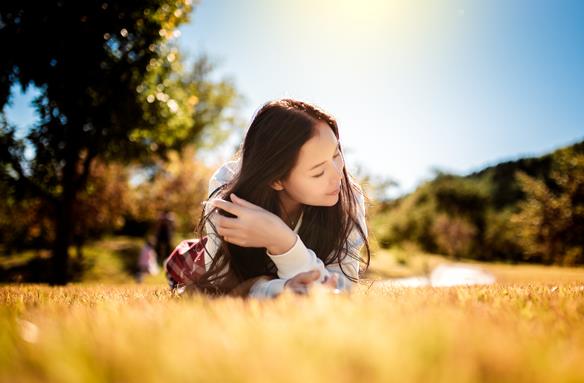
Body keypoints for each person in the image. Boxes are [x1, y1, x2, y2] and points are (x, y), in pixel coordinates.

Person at [177, 98, 370, 298]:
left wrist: (283, 241)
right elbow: (220, 286)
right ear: (276, 179)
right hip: (200, 258)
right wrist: (281, 284)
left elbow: (340, 288)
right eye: (318, 172)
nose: (338, 174)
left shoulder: (349, 196)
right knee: (184, 264)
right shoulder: (228, 190)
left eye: (336, 154)